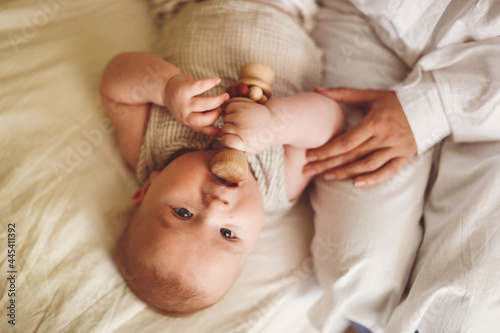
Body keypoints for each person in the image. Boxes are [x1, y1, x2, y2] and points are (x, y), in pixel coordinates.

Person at [99, 0, 344, 316]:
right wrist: (273, 125)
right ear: (253, 241)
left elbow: (115, 85)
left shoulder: (147, 152)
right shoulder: (280, 184)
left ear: (147, 189)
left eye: (183, 213)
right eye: (228, 234)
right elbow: (331, 122)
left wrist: (166, 87)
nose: (215, 206)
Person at [304, 0, 500, 332]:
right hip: (376, 25)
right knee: (355, 265)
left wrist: (429, 107)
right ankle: (363, 323)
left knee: (460, 316)